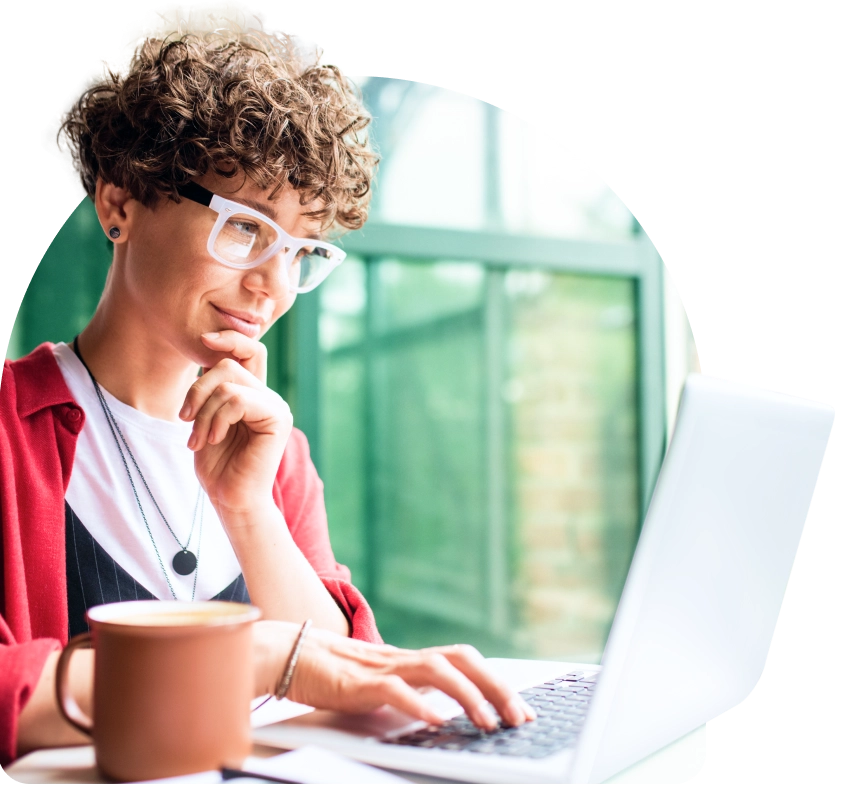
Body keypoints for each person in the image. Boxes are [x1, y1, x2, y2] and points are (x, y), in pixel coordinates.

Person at [0, 2, 534, 767]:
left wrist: (249, 511)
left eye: (301, 249)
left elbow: (348, 678)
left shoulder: (273, 453)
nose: (271, 286)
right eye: (245, 228)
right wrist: (255, 656)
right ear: (120, 204)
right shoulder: (9, 431)